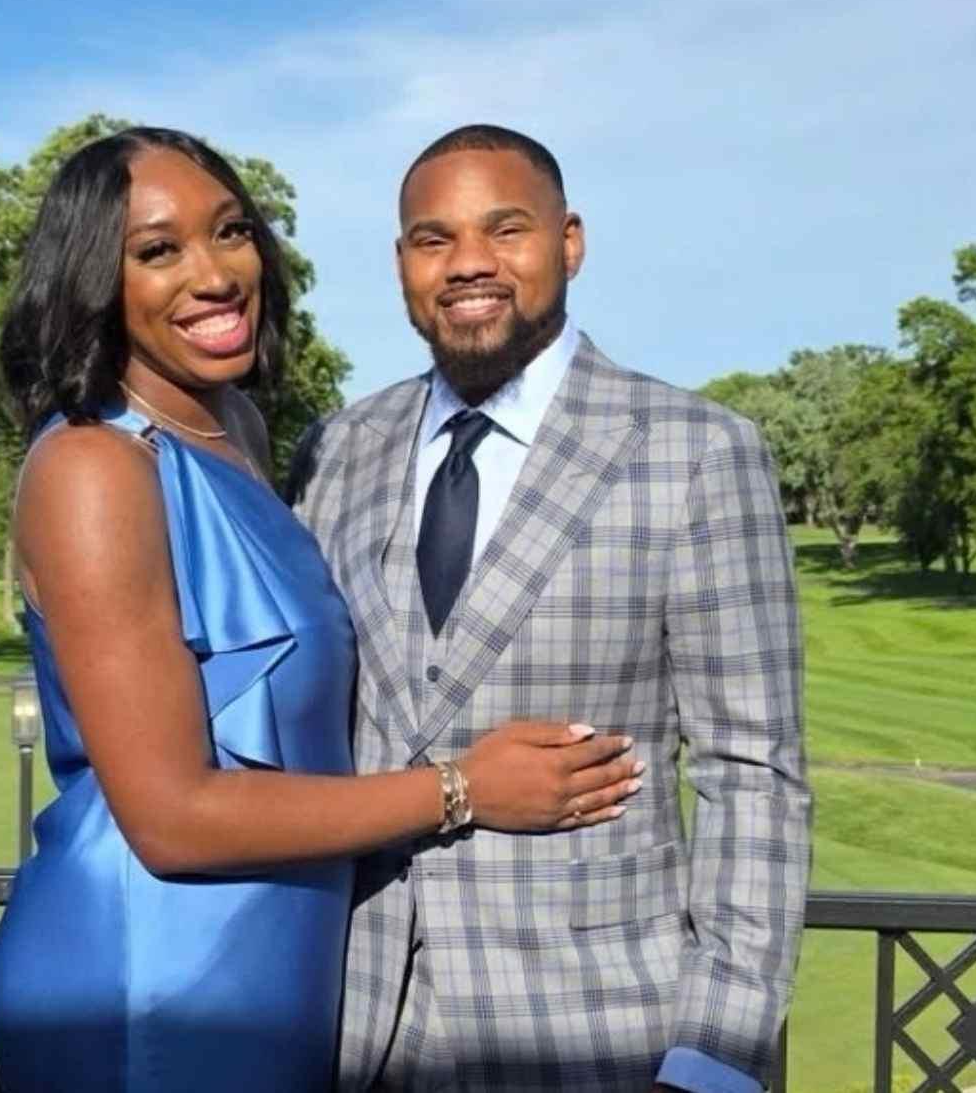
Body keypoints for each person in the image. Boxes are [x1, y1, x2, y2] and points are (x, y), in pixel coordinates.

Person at [0, 127, 642, 1092]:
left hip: (272, 975)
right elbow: (171, 816)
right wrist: (463, 789)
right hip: (149, 979)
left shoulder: (237, 429)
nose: (213, 275)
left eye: (230, 232)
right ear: (93, 282)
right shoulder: (94, 466)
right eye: (157, 252)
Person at [286, 125, 812, 1092]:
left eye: (506, 229)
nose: (468, 264)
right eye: (432, 238)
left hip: (600, 1033)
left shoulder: (693, 451)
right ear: (402, 262)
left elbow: (754, 776)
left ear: (568, 243)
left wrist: (716, 1062)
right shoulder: (338, 450)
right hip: (353, 1031)